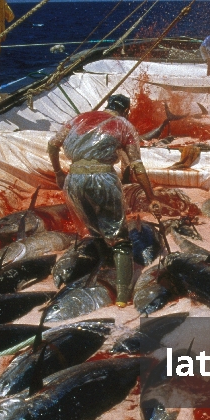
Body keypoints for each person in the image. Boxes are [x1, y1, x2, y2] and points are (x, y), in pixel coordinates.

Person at [47, 95, 161, 308]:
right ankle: (122, 296)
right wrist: (151, 196)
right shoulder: (124, 125)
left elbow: (52, 145)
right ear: (126, 110)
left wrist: (57, 173)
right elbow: (136, 165)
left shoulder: (78, 119)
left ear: (107, 105)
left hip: (74, 179)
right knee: (120, 239)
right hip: (102, 179)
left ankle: (104, 266)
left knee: (95, 229)